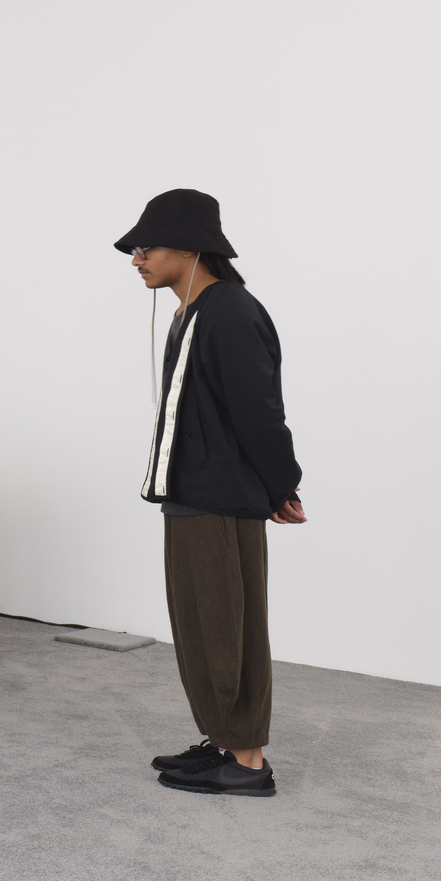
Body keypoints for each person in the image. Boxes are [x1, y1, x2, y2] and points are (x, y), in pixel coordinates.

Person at [115, 190, 304, 798]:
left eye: (147, 248)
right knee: (200, 629)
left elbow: (260, 413)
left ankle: (248, 763)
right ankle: (224, 740)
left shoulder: (230, 312)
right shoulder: (190, 312)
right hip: (190, 495)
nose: (136, 260)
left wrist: (282, 484)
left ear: (190, 248)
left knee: (229, 630)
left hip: (221, 499)